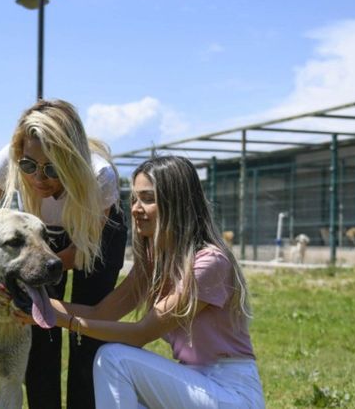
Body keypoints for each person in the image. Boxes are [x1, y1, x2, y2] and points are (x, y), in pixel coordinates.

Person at [34, 156, 265, 408]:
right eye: (134, 199)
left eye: (147, 198)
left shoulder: (210, 262)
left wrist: (61, 320)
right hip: (196, 385)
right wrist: (32, 304)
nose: (135, 208)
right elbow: (100, 313)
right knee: (121, 384)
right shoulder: (153, 263)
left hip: (230, 391)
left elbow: (141, 334)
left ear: (177, 202)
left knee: (114, 359)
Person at [0, 99, 127, 409]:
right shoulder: (10, 159)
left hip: (93, 238)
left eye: (53, 169)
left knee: (88, 334)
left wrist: (44, 272)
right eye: (29, 166)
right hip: (40, 237)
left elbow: (78, 253)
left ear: (72, 162)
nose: (39, 179)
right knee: (40, 333)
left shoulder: (100, 176)